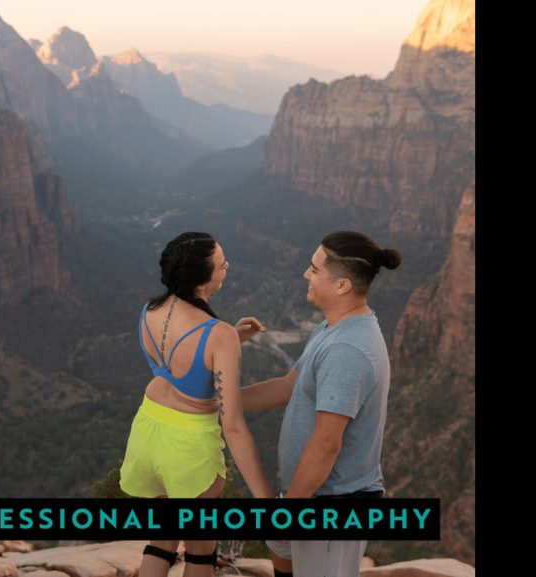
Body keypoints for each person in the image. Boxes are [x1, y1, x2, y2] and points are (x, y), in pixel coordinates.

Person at [243, 231, 402, 577]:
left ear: (342, 285)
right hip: (305, 493)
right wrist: (221, 400)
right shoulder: (331, 328)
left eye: (314, 269)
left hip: (332, 500)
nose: (306, 273)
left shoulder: (348, 350)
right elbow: (288, 387)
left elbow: (326, 445)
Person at [119, 231, 275, 577]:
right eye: (222, 263)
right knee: (201, 554)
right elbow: (232, 426)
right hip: (189, 448)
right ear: (203, 278)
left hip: (148, 431)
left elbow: (176, 367)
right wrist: (265, 498)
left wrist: (231, 338)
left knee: (160, 541)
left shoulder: (150, 310)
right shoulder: (217, 333)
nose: (227, 266)